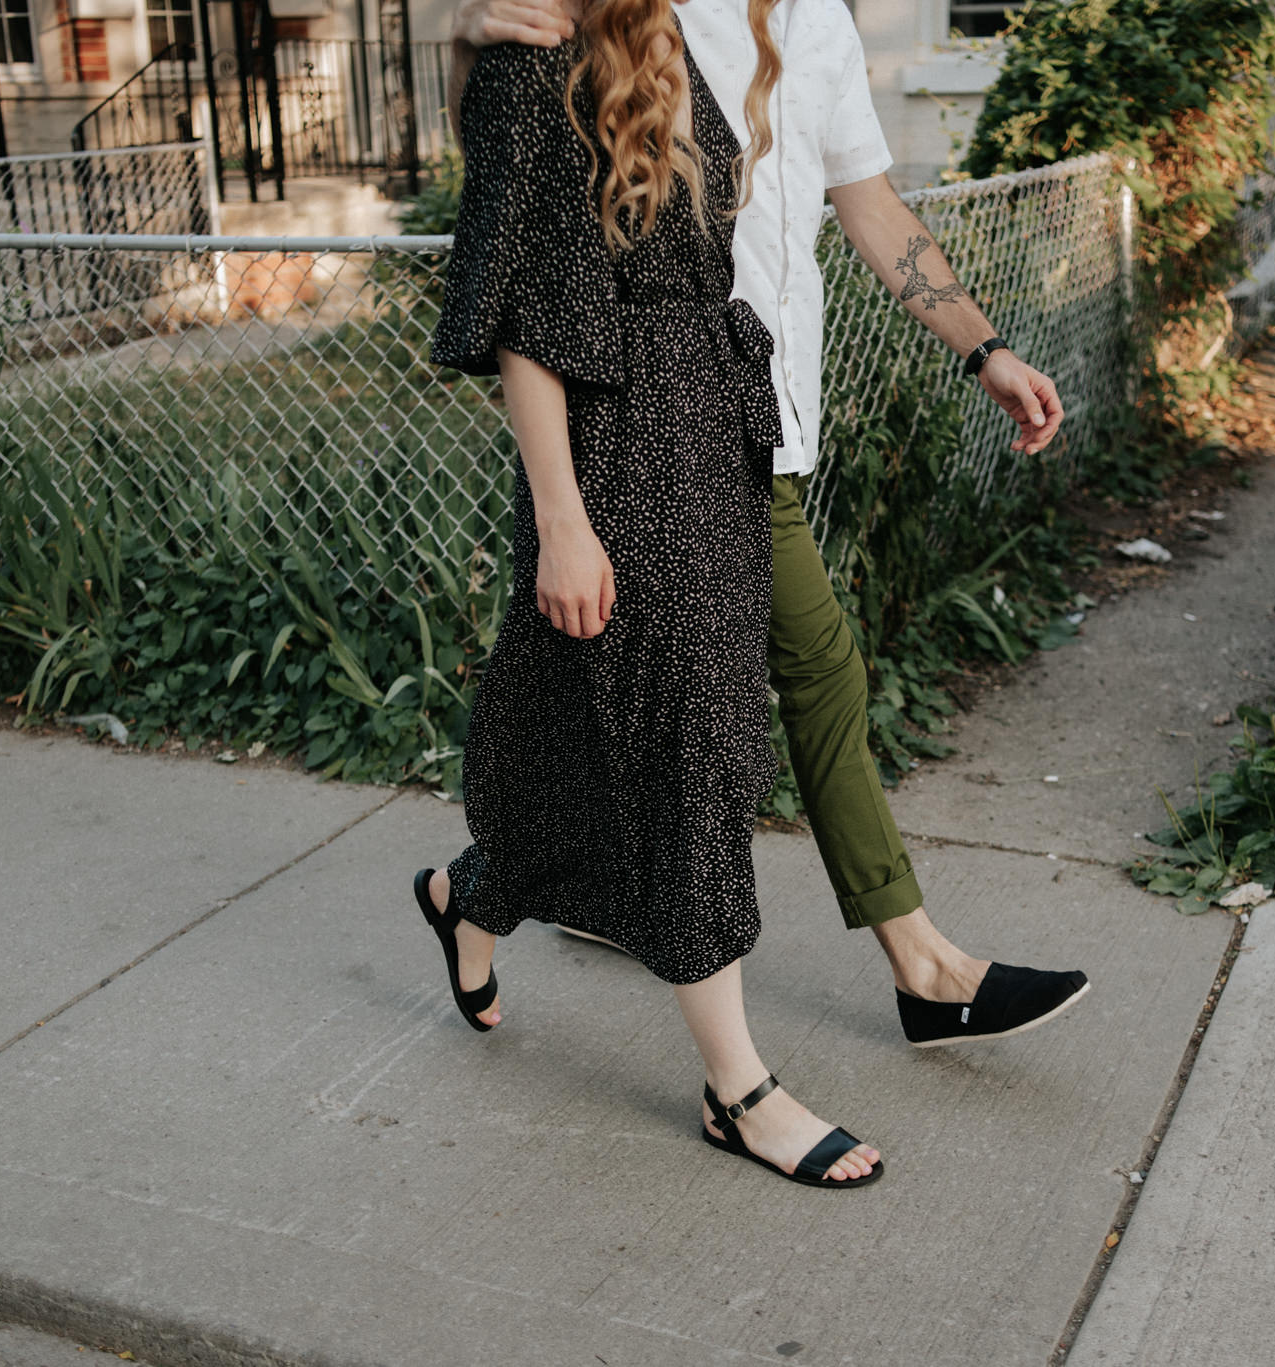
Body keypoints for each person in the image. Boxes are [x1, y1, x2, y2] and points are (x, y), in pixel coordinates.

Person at [448, 0, 1092, 1049]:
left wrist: (983, 351)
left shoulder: (821, 24)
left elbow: (871, 207)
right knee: (804, 673)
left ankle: (490, 890)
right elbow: (511, 159)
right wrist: (464, 40)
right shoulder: (636, 7)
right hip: (656, 422)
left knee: (606, 699)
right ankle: (920, 967)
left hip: (767, 413)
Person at [417, 0, 883, 1187]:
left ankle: (472, 892)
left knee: (660, 738)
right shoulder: (533, 73)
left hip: (713, 443)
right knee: (684, 751)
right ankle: (741, 1089)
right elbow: (525, 328)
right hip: (614, 458)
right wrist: (562, 528)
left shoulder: (675, 44)